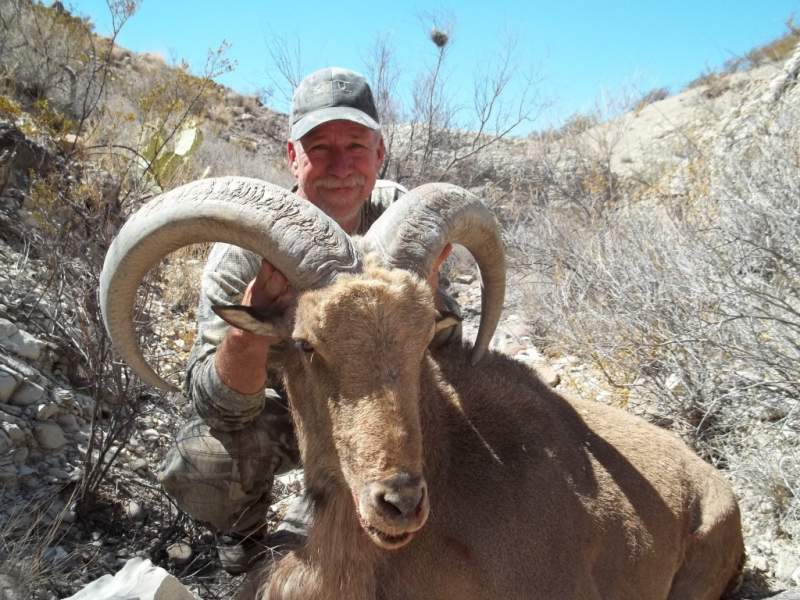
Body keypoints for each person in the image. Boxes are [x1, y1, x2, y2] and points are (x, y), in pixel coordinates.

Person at [157, 67, 462, 574]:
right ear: (292, 156)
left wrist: (426, 300)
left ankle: (398, 521)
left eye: (356, 146)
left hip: (379, 401)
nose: (340, 165)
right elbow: (219, 405)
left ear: (380, 154)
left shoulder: (402, 222)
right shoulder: (245, 246)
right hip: (279, 409)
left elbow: (451, 354)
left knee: (449, 414)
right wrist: (253, 318)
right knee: (202, 463)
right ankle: (245, 533)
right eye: (319, 146)